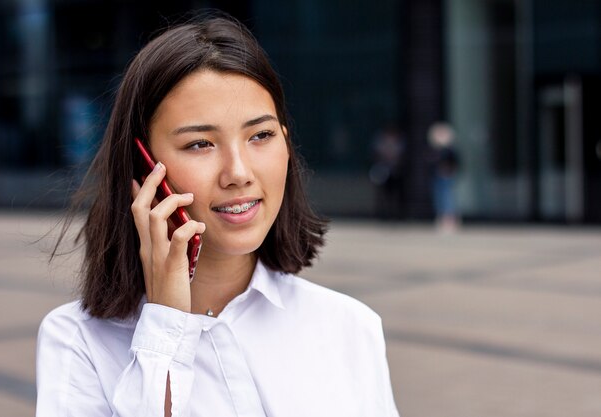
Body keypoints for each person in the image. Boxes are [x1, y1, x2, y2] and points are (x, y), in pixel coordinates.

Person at [36, 14, 400, 417]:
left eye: (260, 136)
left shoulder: (349, 327)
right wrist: (165, 327)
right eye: (200, 144)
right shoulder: (79, 342)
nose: (239, 173)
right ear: (144, 166)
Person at [428, 122, 461, 233]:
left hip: (447, 177)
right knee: (439, 198)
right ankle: (442, 219)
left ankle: (450, 221)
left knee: (448, 198)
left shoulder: (450, 150)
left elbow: (455, 163)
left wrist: (449, 171)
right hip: (438, 176)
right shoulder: (435, 150)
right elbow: (431, 162)